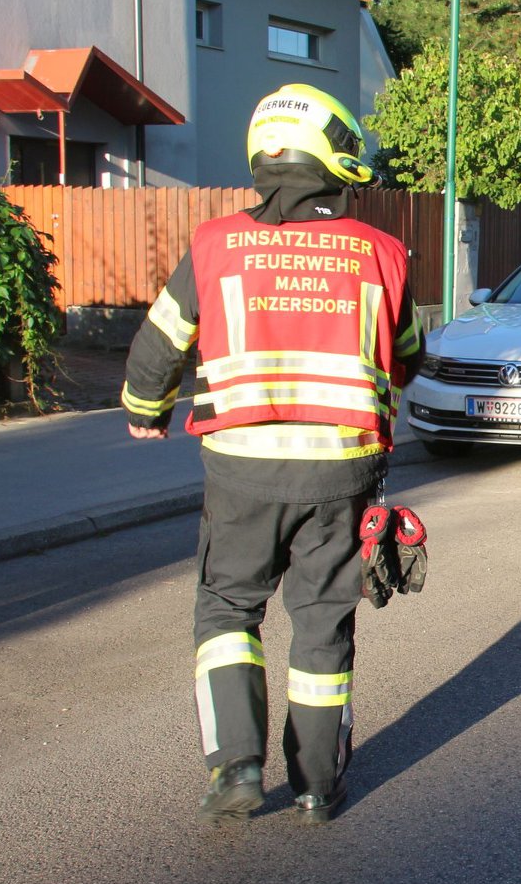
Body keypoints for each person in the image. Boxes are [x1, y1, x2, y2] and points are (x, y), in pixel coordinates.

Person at [122, 83, 424, 824]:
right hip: (341, 469)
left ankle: (237, 770)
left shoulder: (215, 245)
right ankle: (320, 786)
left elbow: (159, 344)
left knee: (227, 606)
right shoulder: (381, 252)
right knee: (322, 619)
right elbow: (408, 358)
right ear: (331, 158)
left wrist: (144, 410)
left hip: (240, 470)